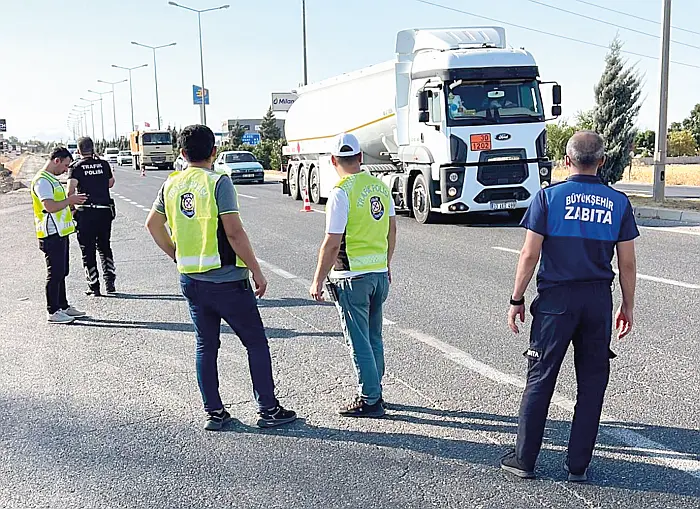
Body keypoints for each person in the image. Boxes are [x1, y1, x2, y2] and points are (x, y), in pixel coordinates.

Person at [501, 131, 638, 481]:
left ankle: (525, 460)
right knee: (592, 384)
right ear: (603, 161)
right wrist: (627, 305)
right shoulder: (618, 203)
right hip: (597, 301)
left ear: (566, 160)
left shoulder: (548, 198)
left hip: (555, 302)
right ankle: (578, 465)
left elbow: (529, 253)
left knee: (541, 377)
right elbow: (627, 263)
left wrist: (517, 298)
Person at [145, 124, 297, 431]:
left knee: (206, 345)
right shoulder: (218, 182)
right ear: (214, 152)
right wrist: (256, 269)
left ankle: (214, 413)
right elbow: (234, 231)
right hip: (226, 279)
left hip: (191, 280)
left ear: (182, 153)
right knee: (255, 343)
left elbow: (152, 224)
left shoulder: (171, 184)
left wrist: (176, 254)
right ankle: (268, 408)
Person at [310, 132, 397, 418]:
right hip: (378, 274)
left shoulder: (341, 192)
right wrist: (386, 265)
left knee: (358, 340)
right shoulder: (381, 188)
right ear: (361, 158)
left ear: (334, 160)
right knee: (374, 336)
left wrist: (318, 278)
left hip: (351, 276)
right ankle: (377, 389)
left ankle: (370, 398)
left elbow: (333, 242)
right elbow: (391, 230)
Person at [31, 147, 88, 324]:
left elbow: (59, 206)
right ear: (56, 160)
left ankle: (63, 306)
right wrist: (70, 201)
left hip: (60, 232)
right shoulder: (42, 181)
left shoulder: (52, 179)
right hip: (50, 234)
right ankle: (53, 311)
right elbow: (49, 206)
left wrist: (72, 206)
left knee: (62, 271)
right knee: (54, 273)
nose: (66, 170)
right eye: (65, 165)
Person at [68, 137, 117, 296]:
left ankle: (94, 285)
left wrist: (72, 209)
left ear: (79, 150)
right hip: (104, 211)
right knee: (104, 246)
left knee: (87, 249)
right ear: (93, 148)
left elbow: (70, 191)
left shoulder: (76, 167)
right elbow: (110, 183)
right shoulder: (104, 164)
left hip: (86, 212)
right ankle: (110, 282)